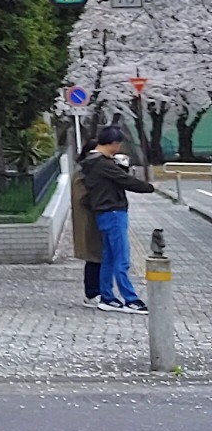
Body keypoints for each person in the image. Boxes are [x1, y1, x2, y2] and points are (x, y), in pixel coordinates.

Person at [80, 125, 156, 312]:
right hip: (113, 212)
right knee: (121, 259)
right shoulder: (103, 164)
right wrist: (150, 187)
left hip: (103, 213)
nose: (119, 148)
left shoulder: (92, 161)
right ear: (113, 144)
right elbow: (126, 181)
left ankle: (107, 297)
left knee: (109, 257)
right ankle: (130, 299)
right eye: (119, 144)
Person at [69, 138, 103, 306]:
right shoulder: (83, 173)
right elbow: (83, 197)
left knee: (99, 257)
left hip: (96, 219)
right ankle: (92, 293)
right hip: (90, 221)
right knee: (94, 257)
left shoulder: (88, 171)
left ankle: (99, 291)